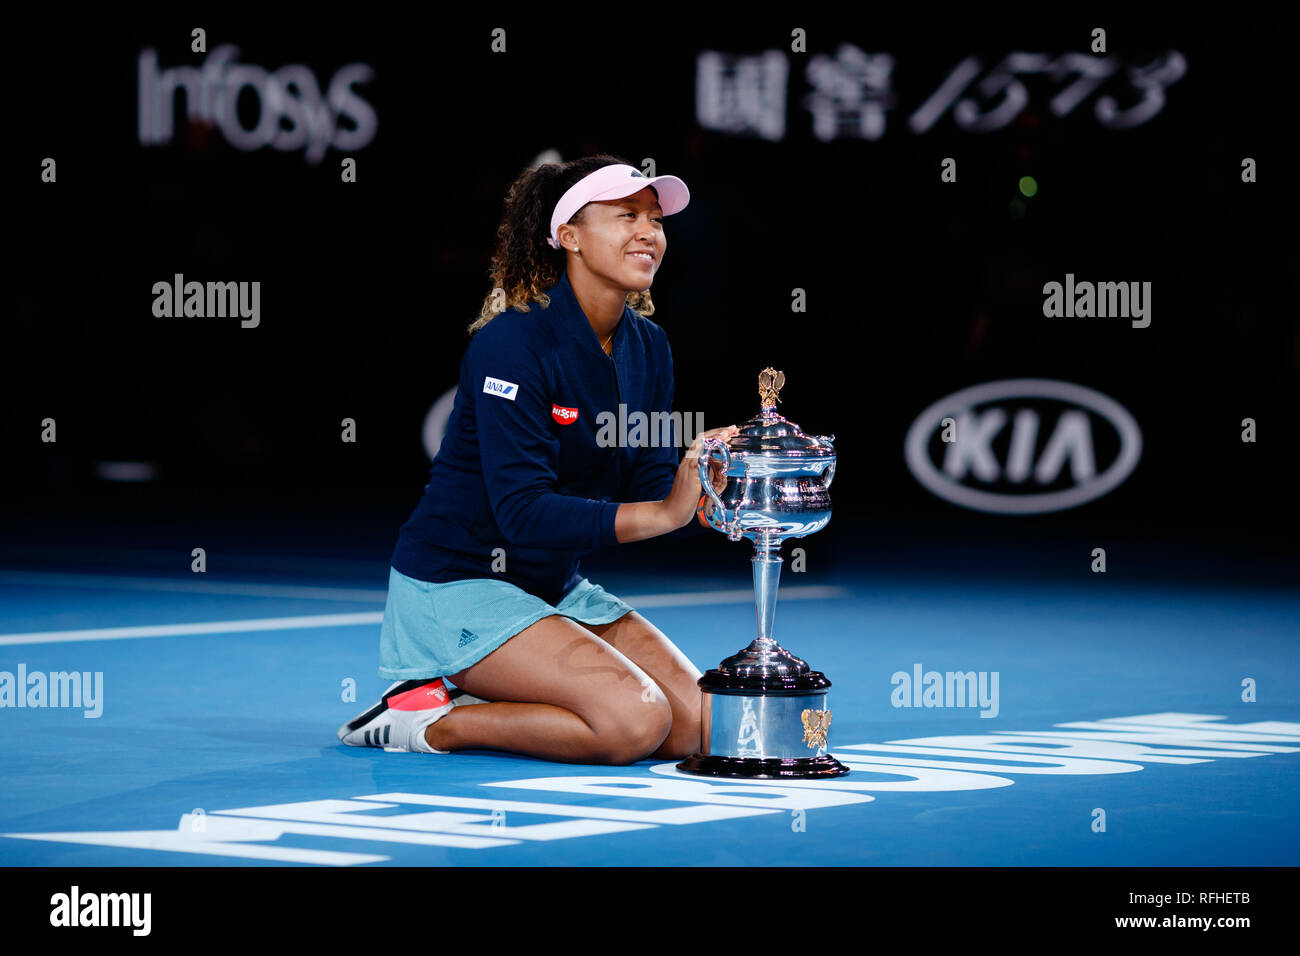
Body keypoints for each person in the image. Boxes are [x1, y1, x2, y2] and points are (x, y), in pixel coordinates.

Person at [338, 154, 738, 764]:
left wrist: (701, 490)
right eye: (625, 215)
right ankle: (427, 721)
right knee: (635, 723)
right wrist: (661, 515)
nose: (648, 232)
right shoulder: (512, 343)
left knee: (700, 729)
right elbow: (523, 513)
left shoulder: (650, 347)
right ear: (568, 237)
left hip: (553, 587)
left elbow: (652, 482)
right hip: (457, 584)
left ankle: (484, 699)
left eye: (655, 220)